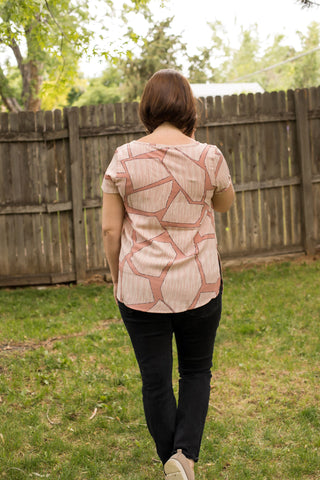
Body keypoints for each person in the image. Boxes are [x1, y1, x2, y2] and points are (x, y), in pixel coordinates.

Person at [101, 69, 234, 480]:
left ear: (146, 108)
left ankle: (174, 463)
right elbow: (225, 204)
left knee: (155, 380)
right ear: (189, 107)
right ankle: (184, 457)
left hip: (140, 287)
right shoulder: (209, 155)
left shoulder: (124, 157)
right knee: (196, 371)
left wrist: (116, 277)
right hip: (199, 286)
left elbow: (109, 229)